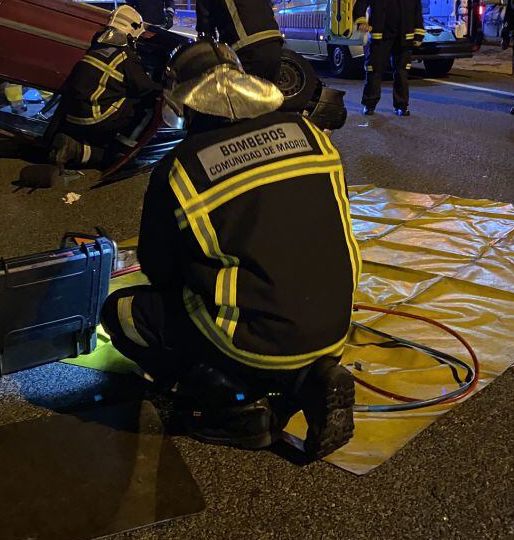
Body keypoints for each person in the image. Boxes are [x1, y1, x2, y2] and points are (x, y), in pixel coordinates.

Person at [99, 40, 360, 459]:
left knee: (123, 314)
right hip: (333, 325)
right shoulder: (311, 135)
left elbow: (159, 269)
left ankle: (235, 407)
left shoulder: (181, 166)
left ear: (187, 103)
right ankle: (309, 379)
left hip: (250, 341)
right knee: (270, 315)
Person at [51, 5, 160, 167]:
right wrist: (166, 89)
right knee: (147, 103)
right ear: (131, 30)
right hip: (95, 118)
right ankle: (122, 150)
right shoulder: (124, 56)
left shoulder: (97, 46)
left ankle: (76, 148)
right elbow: (145, 88)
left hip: (73, 116)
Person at [354, 0, 425, 116]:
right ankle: (369, 104)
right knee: (374, 71)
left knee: (401, 72)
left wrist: (418, 33)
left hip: (403, 37)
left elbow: (417, 10)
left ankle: (401, 106)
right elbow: (360, 4)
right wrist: (362, 21)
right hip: (380, 37)